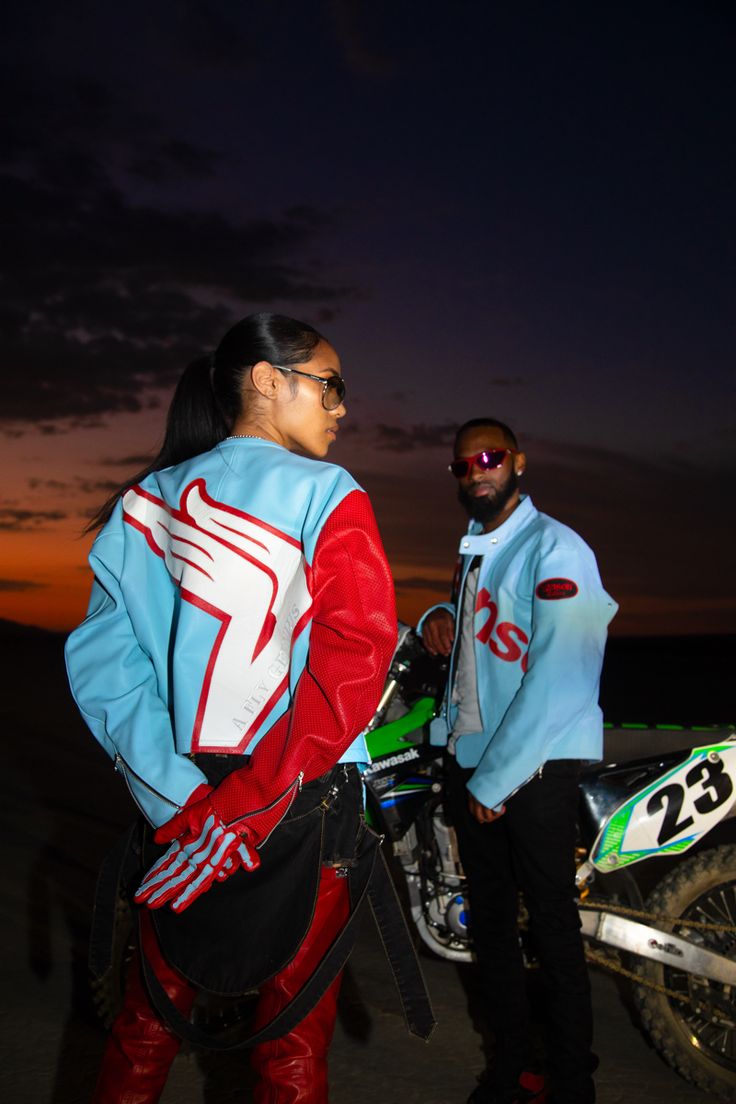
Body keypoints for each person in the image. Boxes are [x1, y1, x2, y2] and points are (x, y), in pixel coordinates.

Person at [65, 312, 399, 1104]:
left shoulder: (144, 503)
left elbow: (103, 665)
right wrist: (247, 808)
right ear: (265, 380)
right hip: (297, 803)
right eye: (329, 385)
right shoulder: (330, 494)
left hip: (183, 810)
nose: (341, 408)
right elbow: (356, 658)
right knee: (289, 1049)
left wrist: (179, 803)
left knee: (146, 1027)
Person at [420, 418, 618, 1104]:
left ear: (518, 462)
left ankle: (570, 1083)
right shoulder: (479, 548)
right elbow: (481, 627)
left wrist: (497, 778)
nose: (476, 470)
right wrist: (435, 615)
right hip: (472, 759)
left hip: (532, 770)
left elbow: (560, 676)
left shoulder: (556, 549)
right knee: (494, 931)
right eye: (463, 464)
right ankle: (510, 1072)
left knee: (554, 927)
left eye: (489, 457)